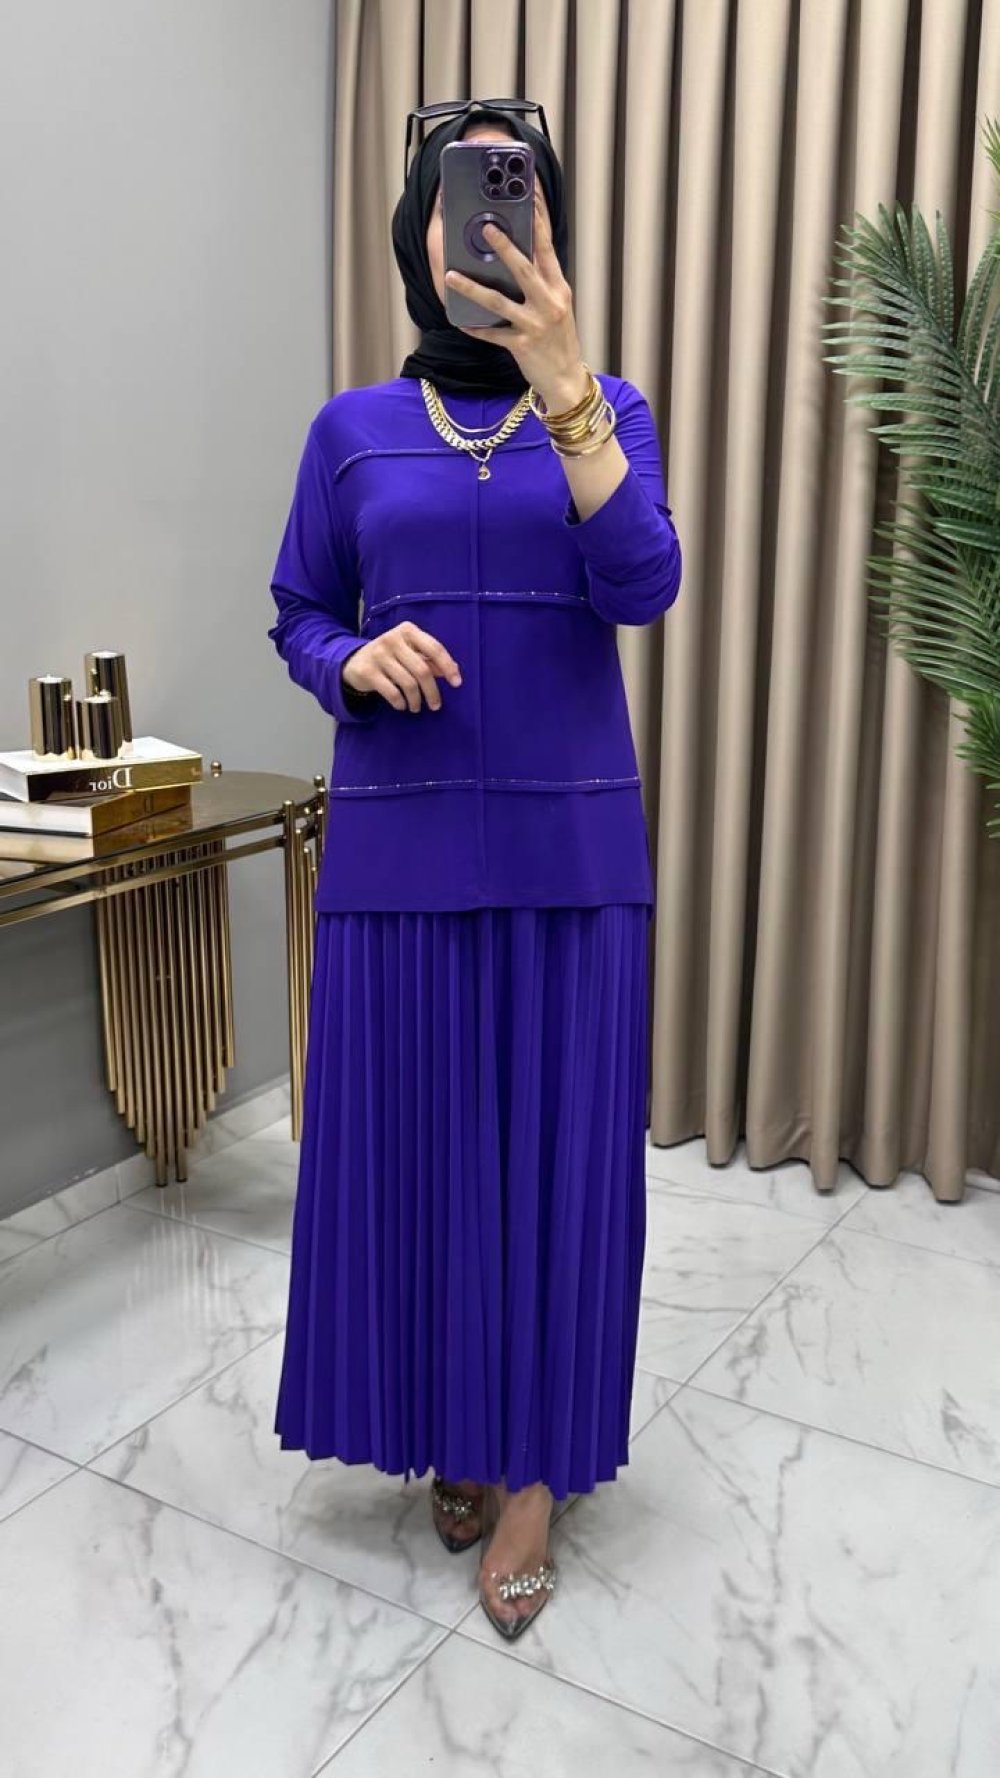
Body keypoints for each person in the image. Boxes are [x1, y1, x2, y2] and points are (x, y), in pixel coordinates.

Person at [267, 99, 681, 1640]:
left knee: (560, 1167)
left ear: (548, 227)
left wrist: (567, 385)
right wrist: (351, 660)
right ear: (420, 228)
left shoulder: (610, 406)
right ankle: (452, 1417)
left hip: (575, 853)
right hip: (399, 845)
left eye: (518, 195)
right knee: (428, 1160)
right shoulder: (350, 430)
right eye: (466, 194)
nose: (489, 224)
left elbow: (642, 581)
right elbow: (300, 610)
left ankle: (534, 1475)